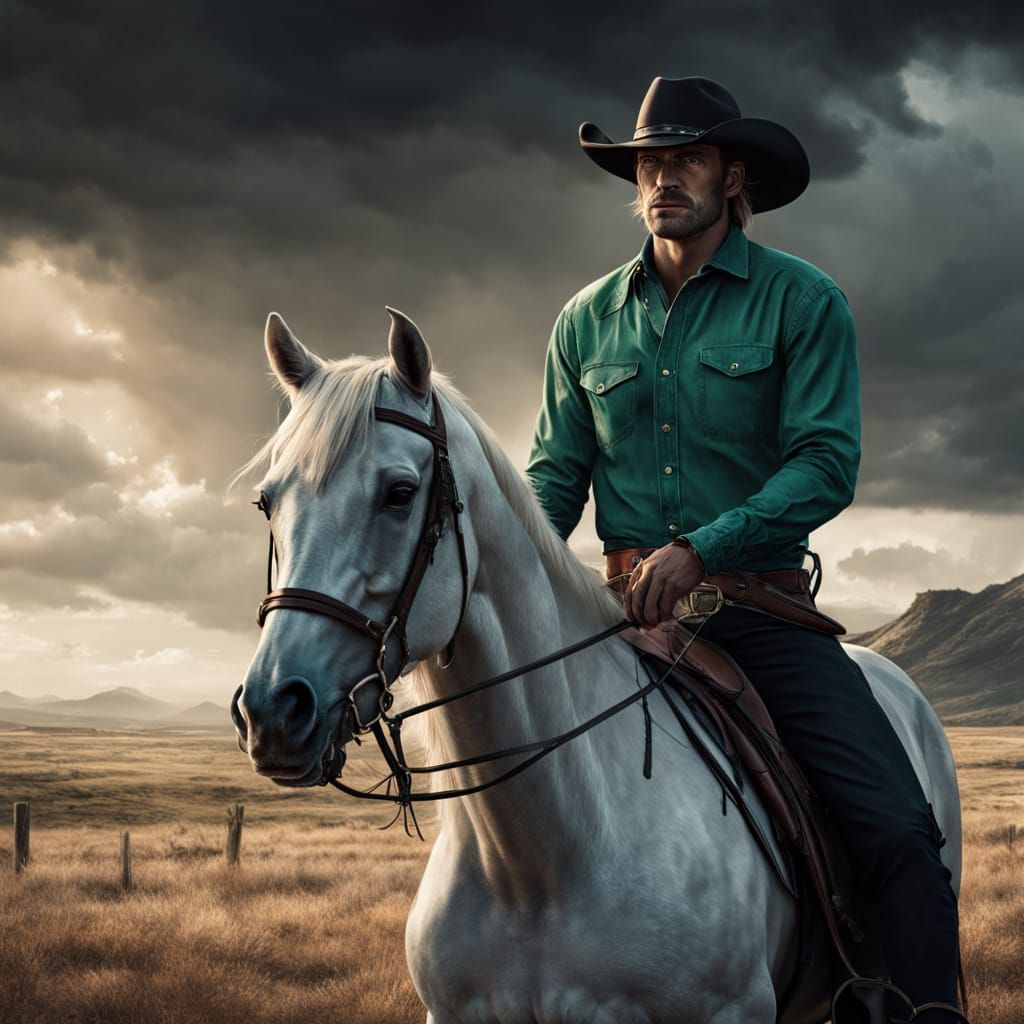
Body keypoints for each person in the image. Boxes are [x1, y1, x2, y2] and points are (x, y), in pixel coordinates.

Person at [524, 76, 966, 1024]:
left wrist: (699, 549)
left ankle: (918, 1010)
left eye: (686, 159)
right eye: (649, 163)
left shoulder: (803, 303)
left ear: (733, 177)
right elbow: (555, 477)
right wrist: (512, 572)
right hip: (617, 615)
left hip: (756, 615)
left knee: (894, 828)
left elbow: (823, 465)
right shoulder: (584, 320)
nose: (663, 179)